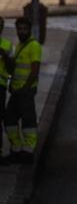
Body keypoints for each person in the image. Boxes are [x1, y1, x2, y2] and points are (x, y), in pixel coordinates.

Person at [2, 17, 41, 164]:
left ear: (29, 30)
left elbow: (35, 71)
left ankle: (28, 152)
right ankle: (16, 149)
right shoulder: (18, 46)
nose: (22, 31)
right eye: (19, 29)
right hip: (16, 90)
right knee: (9, 120)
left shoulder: (34, 46)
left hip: (26, 91)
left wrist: (25, 88)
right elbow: (15, 69)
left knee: (28, 122)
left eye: (25, 29)